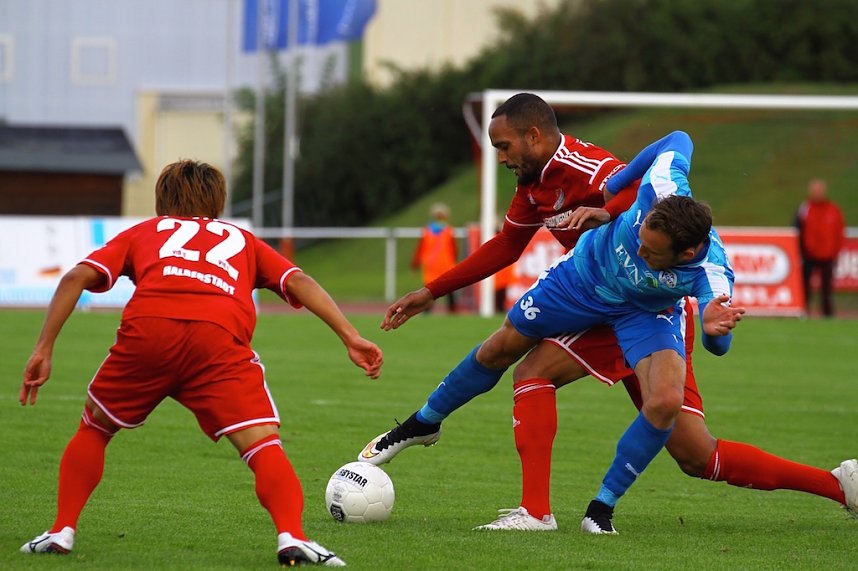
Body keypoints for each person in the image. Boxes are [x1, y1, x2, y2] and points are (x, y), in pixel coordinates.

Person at [357, 93, 858, 533]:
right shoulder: (534, 179)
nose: (500, 158)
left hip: (640, 309)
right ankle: (839, 486)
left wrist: (613, 208)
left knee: (537, 372)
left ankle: (535, 510)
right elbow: (508, 245)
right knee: (689, 450)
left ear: (533, 136)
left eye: (505, 147)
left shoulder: (589, 171)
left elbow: (659, 221)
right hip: (587, 289)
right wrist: (431, 291)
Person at [19, 160, 383, 566]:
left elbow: (74, 278)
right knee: (263, 445)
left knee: (95, 427)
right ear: (219, 202)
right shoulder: (242, 239)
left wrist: (43, 348)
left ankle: (61, 531)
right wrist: (350, 335)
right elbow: (298, 281)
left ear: (161, 201)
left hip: (149, 332)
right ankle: (292, 537)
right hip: (217, 340)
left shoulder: (144, 231)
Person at [795, 178, 845, 317]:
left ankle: (827, 314)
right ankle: (803, 312)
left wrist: (835, 252)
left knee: (827, 288)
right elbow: (798, 229)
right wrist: (801, 250)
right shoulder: (805, 208)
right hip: (809, 254)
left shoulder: (833, 210)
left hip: (828, 255)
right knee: (804, 286)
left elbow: (839, 232)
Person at [412, 202, 458, 313]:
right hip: (446, 263)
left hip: (430, 263)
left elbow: (420, 248)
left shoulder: (427, 231)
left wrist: (415, 263)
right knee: (449, 288)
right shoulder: (449, 230)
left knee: (429, 289)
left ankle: (427, 310)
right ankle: (452, 310)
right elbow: (454, 249)